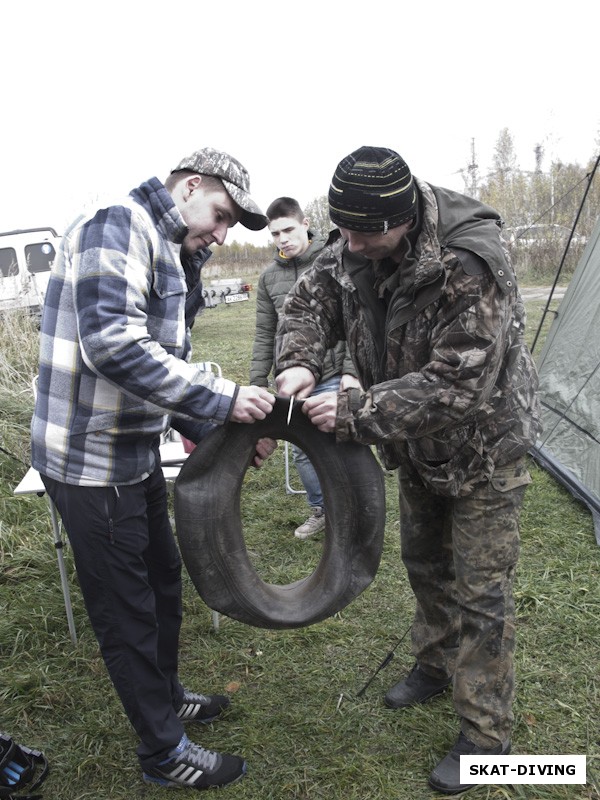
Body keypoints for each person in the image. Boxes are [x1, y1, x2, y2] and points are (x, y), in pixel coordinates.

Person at [275, 146, 540, 794]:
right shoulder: (358, 242)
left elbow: (457, 386)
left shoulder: (469, 260)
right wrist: (298, 360)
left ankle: (485, 739)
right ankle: (434, 664)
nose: (351, 245)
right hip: (415, 446)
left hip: (484, 449)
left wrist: (352, 412)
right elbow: (313, 301)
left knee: (482, 593)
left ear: (401, 220)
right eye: (343, 231)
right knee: (425, 565)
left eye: (364, 233)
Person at [30, 148, 276, 791]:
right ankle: (163, 752)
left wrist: (212, 432)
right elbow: (112, 345)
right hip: (88, 462)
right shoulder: (118, 224)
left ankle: (166, 694)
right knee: (127, 608)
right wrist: (224, 400)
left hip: (133, 452)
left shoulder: (170, 251)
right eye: (220, 216)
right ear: (189, 186)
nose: (221, 235)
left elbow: (158, 372)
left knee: (164, 581)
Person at [250, 197, 360, 538]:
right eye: (275, 234)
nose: (282, 238)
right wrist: (257, 382)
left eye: (288, 229)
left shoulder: (334, 263)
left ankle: (355, 510)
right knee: (302, 450)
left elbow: (356, 320)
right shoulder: (269, 279)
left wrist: (351, 371)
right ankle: (322, 510)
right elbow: (265, 333)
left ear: (305, 223)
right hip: (295, 381)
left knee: (343, 443)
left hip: (333, 374)